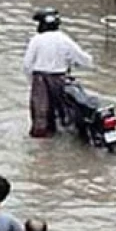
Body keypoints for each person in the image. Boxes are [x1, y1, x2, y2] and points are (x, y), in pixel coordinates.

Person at [22, 9, 93, 138]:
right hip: (60, 79)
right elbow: (84, 59)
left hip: (40, 80)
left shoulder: (36, 40)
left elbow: (27, 64)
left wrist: (31, 81)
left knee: (40, 115)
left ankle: (42, 147)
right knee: (64, 112)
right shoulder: (64, 39)